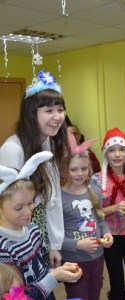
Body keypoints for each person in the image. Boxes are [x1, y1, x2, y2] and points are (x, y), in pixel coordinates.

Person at [0, 70, 70, 268]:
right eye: (49, 111)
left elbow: (52, 197)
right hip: (17, 239)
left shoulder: (50, 143)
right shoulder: (13, 149)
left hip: (41, 231)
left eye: (60, 109)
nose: (57, 117)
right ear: (31, 113)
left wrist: (55, 243)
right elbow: (7, 208)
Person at [0, 152, 82, 300]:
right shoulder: (3, 247)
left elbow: (41, 272)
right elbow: (18, 297)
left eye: (31, 203)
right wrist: (54, 277)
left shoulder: (33, 230)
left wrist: (59, 272)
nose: (28, 211)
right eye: (19, 208)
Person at [91, 128, 125, 300]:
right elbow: (94, 212)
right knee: (116, 281)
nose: (117, 155)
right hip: (109, 236)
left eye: (121, 150)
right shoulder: (96, 179)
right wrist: (113, 209)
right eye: (112, 150)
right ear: (105, 153)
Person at [61, 133, 113, 300]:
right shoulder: (58, 198)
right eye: (73, 169)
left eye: (83, 169)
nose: (79, 173)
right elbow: (53, 237)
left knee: (94, 294)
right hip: (73, 260)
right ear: (64, 169)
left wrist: (106, 233)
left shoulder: (94, 190)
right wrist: (78, 244)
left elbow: (100, 218)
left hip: (97, 257)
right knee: (78, 296)